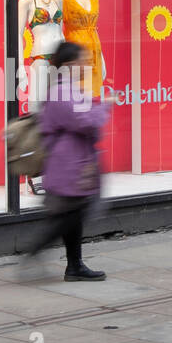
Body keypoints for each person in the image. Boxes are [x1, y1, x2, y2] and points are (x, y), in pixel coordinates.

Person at [23, 41, 110, 281]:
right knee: (69, 215)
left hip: (73, 162)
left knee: (71, 215)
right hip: (66, 164)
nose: (84, 65)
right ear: (69, 65)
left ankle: (74, 266)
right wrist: (103, 108)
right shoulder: (62, 91)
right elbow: (84, 121)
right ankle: (36, 251)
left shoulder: (69, 89)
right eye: (80, 61)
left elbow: (85, 120)